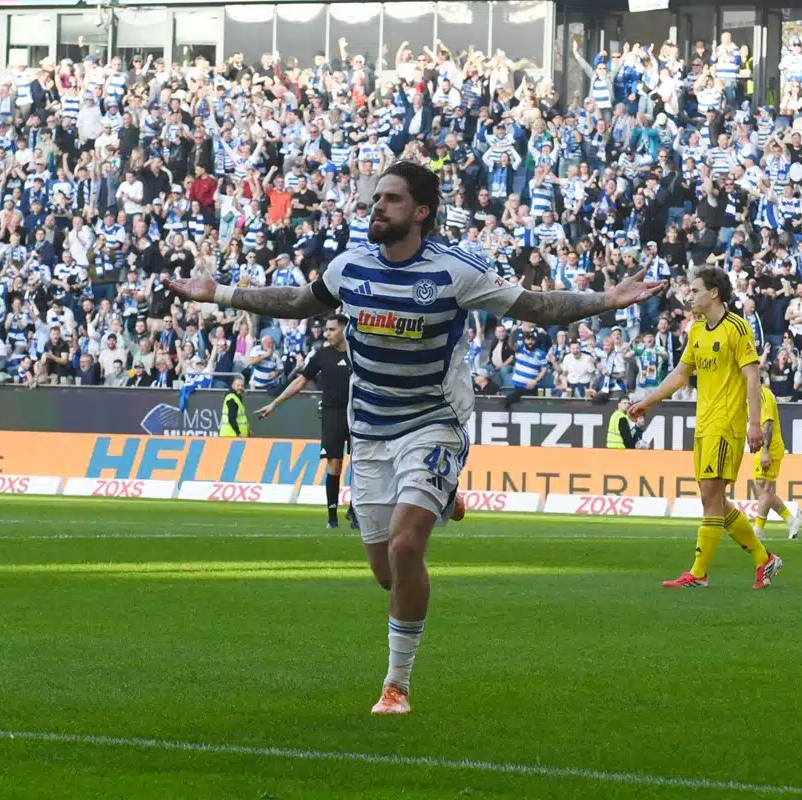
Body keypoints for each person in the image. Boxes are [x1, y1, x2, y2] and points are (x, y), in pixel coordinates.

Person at [164, 159, 663, 714]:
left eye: (392, 200)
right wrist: (221, 292)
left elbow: (538, 307)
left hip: (432, 423)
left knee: (406, 546)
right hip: (371, 431)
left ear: (421, 212)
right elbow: (299, 303)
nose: (378, 207)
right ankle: (441, 495)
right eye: (377, 198)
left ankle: (396, 684)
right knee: (387, 573)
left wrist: (606, 299)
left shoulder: (455, 272)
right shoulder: (350, 267)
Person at [628, 266, 783, 590]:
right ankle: (764, 558)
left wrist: (754, 425)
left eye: (696, 290)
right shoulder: (697, 330)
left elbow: (752, 377)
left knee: (712, 497)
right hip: (705, 424)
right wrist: (647, 401)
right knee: (711, 498)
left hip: (727, 424)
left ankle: (698, 573)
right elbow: (681, 374)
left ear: (714, 292)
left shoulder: (738, 329)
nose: (690, 295)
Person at [258, 313, 364, 530]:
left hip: (359, 414)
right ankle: (332, 515)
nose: (327, 333)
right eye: (326, 329)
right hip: (332, 414)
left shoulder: (360, 354)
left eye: (332, 329)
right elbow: (300, 382)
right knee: (334, 463)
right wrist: (274, 403)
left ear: (344, 330)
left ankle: (356, 510)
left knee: (361, 465)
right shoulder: (321, 355)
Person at [753, 383, 802, 540]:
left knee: (765, 489)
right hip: (761, 447)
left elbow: (768, 424)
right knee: (760, 489)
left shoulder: (763, 394)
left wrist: (766, 451)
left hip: (770, 448)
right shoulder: (750, 395)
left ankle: (758, 530)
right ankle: (792, 520)